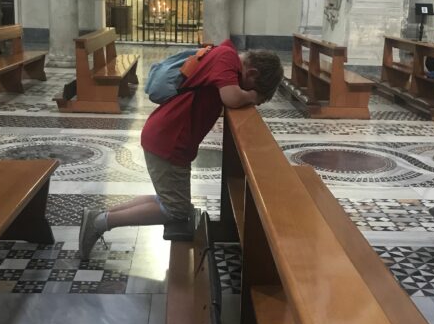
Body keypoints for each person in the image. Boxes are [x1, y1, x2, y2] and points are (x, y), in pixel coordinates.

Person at [78, 41, 284, 259]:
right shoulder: (227, 58)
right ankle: (100, 222)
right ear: (252, 73)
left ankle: (98, 216)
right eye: (252, 88)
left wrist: (249, 93)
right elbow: (231, 97)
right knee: (175, 210)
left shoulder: (225, 57)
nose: (247, 92)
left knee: (168, 201)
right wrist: (251, 97)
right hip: (170, 140)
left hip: (168, 136)